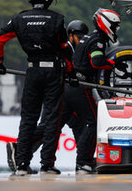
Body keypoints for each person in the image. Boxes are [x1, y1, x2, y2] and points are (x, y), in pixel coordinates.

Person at [0, 0, 77, 176]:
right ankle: (47, 164)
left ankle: (22, 164)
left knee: (28, 119)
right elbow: (65, 49)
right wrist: (71, 73)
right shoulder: (57, 19)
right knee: (52, 119)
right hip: (53, 73)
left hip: (32, 72)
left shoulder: (19, 19)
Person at [6, 20, 89, 173]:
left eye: (83, 36)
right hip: (58, 91)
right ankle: (20, 148)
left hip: (64, 92)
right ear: (70, 35)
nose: (80, 39)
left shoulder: (76, 48)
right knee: (50, 126)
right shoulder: (66, 47)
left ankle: (83, 161)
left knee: (73, 126)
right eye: (78, 36)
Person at [70, 8, 122, 174]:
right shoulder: (98, 40)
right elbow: (97, 61)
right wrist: (114, 64)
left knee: (53, 124)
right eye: (115, 26)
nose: (116, 30)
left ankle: (20, 151)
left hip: (69, 86)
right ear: (106, 24)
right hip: (81, 86)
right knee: (93, 122)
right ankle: (83, 163)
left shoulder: (88, 37)